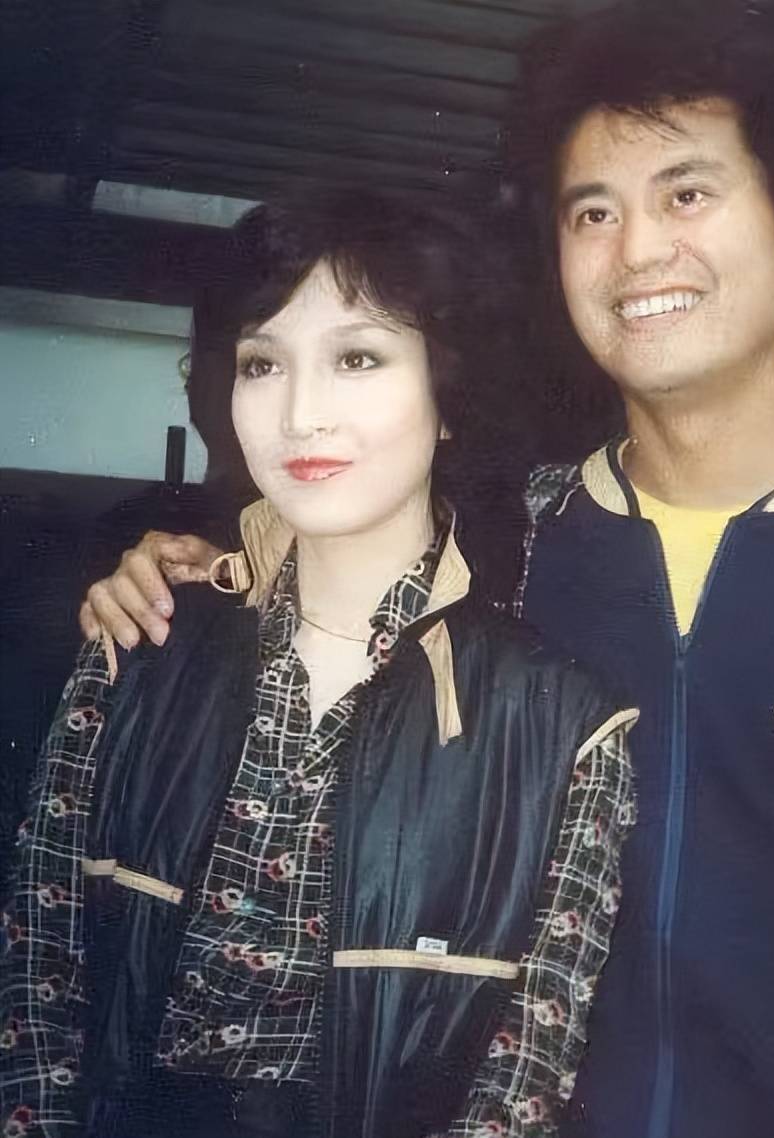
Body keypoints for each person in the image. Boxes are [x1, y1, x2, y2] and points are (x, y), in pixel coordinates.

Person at [68, 3, 774, 1136]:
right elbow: (326, 588)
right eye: (592, 211)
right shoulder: (510, 534)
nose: (637, 250)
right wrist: (191, 571)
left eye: (686, 193)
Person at [0, 194, 639, 1138]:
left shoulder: (564, 727)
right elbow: (34, 992)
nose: (301, 414)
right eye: (262, 364)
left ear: (450, 397)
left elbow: (520, 1082)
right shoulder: (137, 648)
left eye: (358, 358)